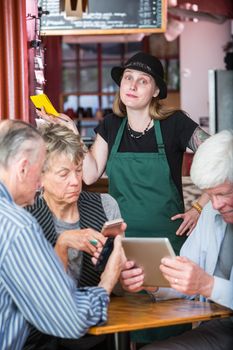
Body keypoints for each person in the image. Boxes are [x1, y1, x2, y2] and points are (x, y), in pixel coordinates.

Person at [0, 120, 125, 350]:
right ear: (30, 171)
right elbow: (63, 315)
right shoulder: (21, 223)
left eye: (78, 171)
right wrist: (106, 279)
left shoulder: (104, 207)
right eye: (63, 173)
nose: (76, 181)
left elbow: (122, 290)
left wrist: (122, 273)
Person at [121, 129, 233, 350]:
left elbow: (201, 283)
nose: (216, 204)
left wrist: (207, 284)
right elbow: (185, 283)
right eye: (210, 196)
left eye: (224, 194)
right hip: (221, 327)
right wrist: (153, 283)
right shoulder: (211, 213)